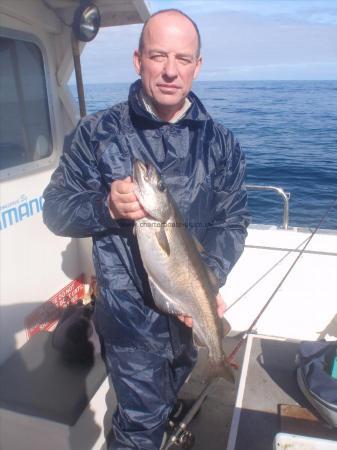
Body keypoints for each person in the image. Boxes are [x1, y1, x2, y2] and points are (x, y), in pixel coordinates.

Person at [43, 8, 250, 450]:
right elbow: (56, 211)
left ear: (198, 65)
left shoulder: (222, 144)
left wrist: (208, 277)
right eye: (158, 56)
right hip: (130, 324)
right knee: (137, 429)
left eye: (182, 58)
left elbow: (232, 221)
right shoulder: (97, 133)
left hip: (189, 312)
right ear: (138, 60)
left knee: (165, 399)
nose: (170, 71)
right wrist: (106, 207)